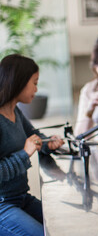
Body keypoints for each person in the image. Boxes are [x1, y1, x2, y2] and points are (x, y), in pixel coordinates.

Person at [0, 54, 64, 236]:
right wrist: (24, 153)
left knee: (61, 225)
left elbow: (34, 135)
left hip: (21, 197)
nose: (36, 89)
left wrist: (47, 143)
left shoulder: (14, 110)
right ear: (18, 81)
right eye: (34, 82)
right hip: (2, 205)